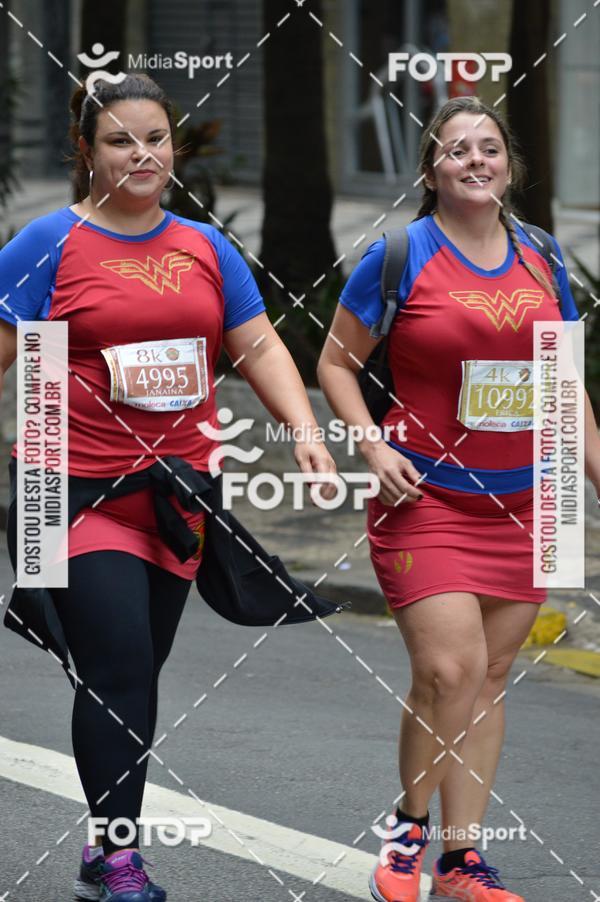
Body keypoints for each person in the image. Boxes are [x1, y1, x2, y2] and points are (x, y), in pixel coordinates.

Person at [0, 74, 337, 902]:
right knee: (115, 670)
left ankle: (101, 842)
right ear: (87, 151)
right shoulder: (45, 243)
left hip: (178, 494)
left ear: (172, 149)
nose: (141, 154)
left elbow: (257, 347)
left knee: (137, 673)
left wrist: (304, 429)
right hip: (64, 488)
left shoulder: (204, 246)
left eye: (154, 138)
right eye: (120, 140)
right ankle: (121, 860)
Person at [318, 95, 600, 902]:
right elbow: (336, 363)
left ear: (510, 162)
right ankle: (407, 834)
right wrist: (371, 444)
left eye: (489, 148)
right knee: (449, 669)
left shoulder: (544, 256)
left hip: (527, 501)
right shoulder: (401, 254)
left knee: (491, 677)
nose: (475, 162)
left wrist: (593, 469)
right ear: (431, 170)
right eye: (455, 151)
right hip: (427, 497)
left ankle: (463, 862)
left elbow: (563, 379)